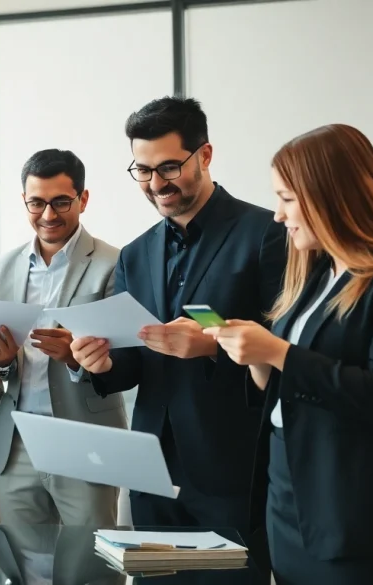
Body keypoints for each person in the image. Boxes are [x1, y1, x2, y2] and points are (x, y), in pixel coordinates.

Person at [203, 124, 373, 585]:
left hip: (363, 519)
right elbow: (288, 389)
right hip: (290, 501)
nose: (278, 216)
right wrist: (259, 357)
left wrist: (279, 352)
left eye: (286, 198)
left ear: (331, 196)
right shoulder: (315, 271)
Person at [70, 97, 287, 539]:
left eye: (169, 167)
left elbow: (287, 352)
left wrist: (212, 348)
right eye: (143, 171)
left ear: (204, 155)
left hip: (234, 467)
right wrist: (100, 362)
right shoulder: (135, 254)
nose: (155, 183)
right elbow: (132, 362)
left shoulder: (267, 235)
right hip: (152, 473)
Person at [0, 149, 125, 526]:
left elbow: (125, 362)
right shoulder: (4, 265)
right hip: (17, 440)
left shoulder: (114, 262)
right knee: (23, 561)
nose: (48, 215)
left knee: (90, 565)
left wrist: (74, 357)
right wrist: (1, 362)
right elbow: (6, 366)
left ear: (83, 199)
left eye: (61, 202)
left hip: (84, 436)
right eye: (37, 203)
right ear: (24, 201)